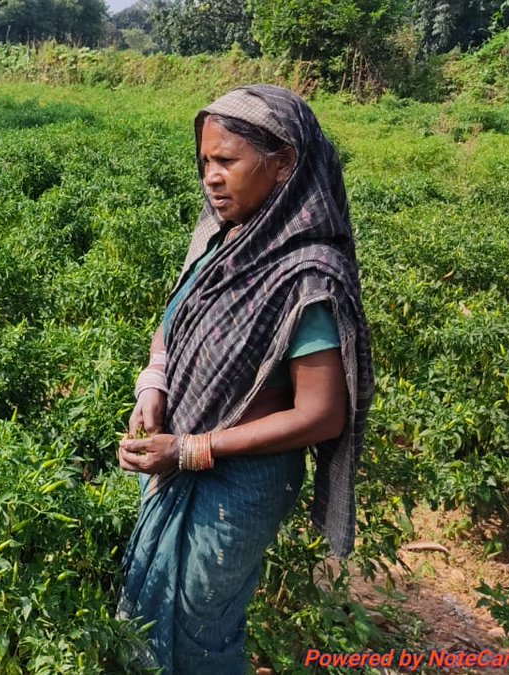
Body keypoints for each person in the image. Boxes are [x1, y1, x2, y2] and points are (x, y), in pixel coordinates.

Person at [115, 84, 376, 673]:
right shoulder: (218, 236)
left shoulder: (305, 276)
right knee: (148, 606)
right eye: (206, 161)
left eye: (228, 161)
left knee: (201, 626)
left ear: (283, 164)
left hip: (240, 483)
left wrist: (191, 448)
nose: (211, 176)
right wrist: (154, 384)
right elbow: (175, 317)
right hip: (174, 454)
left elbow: (321, 414)